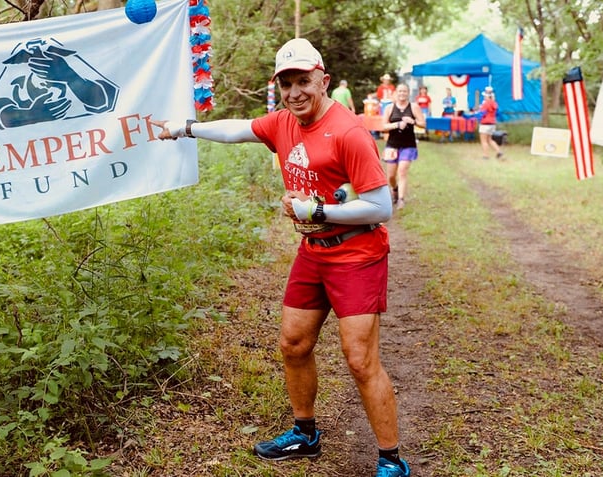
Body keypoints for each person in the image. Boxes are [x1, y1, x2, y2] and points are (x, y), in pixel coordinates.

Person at [153, 38, 410, 477]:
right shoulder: (283, 122)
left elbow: (381, 207)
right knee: (293, 343)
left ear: (323, 80)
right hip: (313, 251)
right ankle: (305, 434)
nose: (295, 92)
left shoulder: (348, 133)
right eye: (287, 83)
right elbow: (238, 129)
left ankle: (391, 460)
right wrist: (185, 128)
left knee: (360, 359)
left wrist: (321, 210)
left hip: (357, 256)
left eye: (304, 81)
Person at [380, 83, 425, 210]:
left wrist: (413, 121)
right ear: (396, 93)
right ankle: (395, 189)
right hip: (392, 145)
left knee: (402, 171)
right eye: (400, 91)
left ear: (408, 93)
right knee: (391, 176)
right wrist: (397, 124)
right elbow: (383, 126)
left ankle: (401, 199)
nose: (402, 94)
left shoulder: (414, 107)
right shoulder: (389, 108)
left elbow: (423, 123)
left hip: (408, 145)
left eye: (404, 91)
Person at [478, 86, 504, 160]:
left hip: (485, 123)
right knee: (490, 139)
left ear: (487, 96)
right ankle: (499, 151)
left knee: (484, 140)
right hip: (492, 123)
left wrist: (475, 116)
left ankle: (486, 155)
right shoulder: (494, 103)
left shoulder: (486, 104)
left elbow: (481, 114)